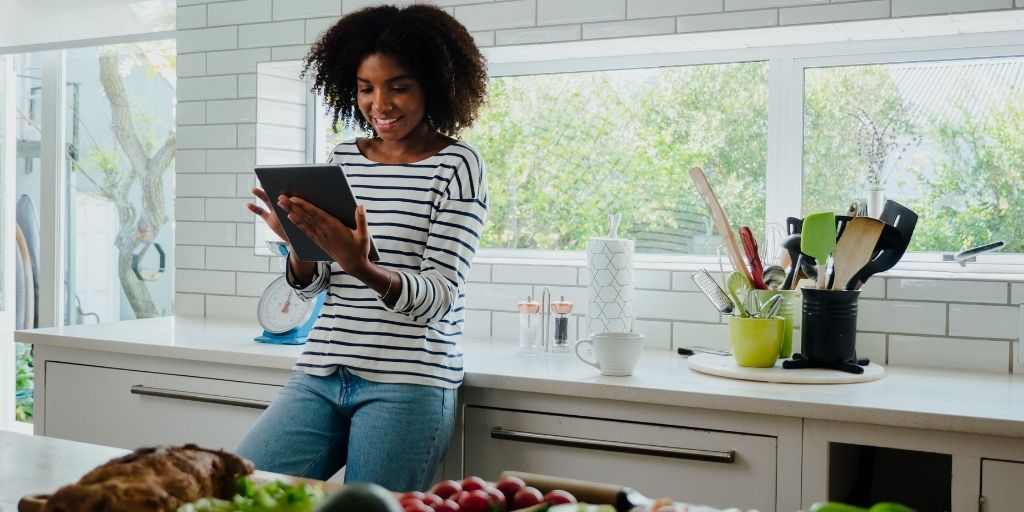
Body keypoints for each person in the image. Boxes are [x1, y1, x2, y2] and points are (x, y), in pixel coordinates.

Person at [239, 4, 488, 492]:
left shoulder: (458, 165)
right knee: (235, 493)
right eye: (365, 88)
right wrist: (299, 247)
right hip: (322, 370)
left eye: (398, 86)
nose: (380, 105)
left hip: (408, 384)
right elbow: (316, 283)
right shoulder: (343, 157)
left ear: (433, 85)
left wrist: (365, 266)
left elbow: (438, 297)